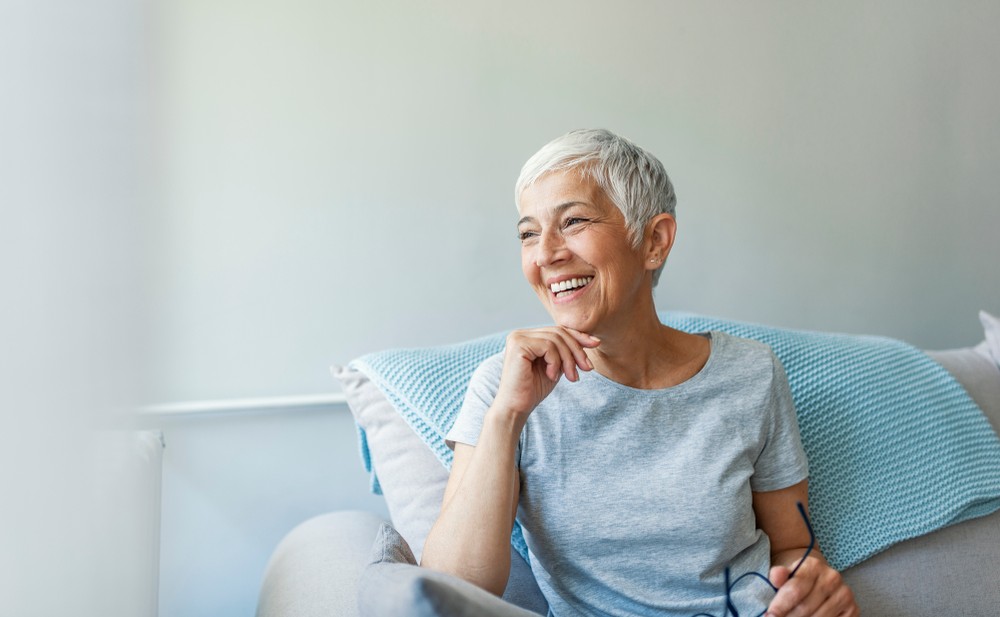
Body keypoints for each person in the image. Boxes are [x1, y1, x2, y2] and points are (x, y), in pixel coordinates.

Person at [421, 129, 858, 617]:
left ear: (654, 240)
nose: (545, 253)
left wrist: (813, 592)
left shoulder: (752, 374)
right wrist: (506, 417)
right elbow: (450, 589)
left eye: (574, 221)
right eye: (528, 233)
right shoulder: (503, 387)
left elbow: (794, 546)